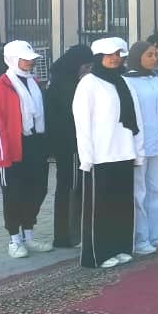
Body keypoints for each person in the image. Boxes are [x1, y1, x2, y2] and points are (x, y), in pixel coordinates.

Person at [74, 38, 143, 270]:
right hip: (100, 156)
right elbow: (82, 123)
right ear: (98, 57)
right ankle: (98, 254)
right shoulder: (89, 83)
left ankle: (119, 247)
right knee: (100, 209)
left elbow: (136, 119)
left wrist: (138, 151)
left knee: (121, 205)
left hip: (124, 151)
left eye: (117, 54)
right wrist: (87, 158)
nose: (114, 59)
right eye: (109, 55)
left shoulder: (124, 82)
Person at [0, 41, 53, 259]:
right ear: (13, 59)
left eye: (31, 59)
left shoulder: (33, 82)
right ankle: (14, 239)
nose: (30, 62)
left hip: (35, 145)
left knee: (37, 190)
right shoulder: (1, 87)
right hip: (13, 149)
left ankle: (29, 235)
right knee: (13, 194)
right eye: (25, 59)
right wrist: (1, 156)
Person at [125, 42, 158, 255]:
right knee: (140, 193)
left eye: (155, 55)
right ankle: (141, 238)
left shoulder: (155, 79)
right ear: (137, 57)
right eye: (149, 55)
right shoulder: (127, 81)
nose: (154, 58)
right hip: (140, 145)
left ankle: (155, 234)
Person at [44, 44, 91, 248]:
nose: (88, 71)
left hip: (70, 144)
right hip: (69, 145)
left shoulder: (62, 80)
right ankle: (67, 235)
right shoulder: (65, 84)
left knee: (71, 186)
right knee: (70, 187)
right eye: (86, 66)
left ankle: (69, 232)